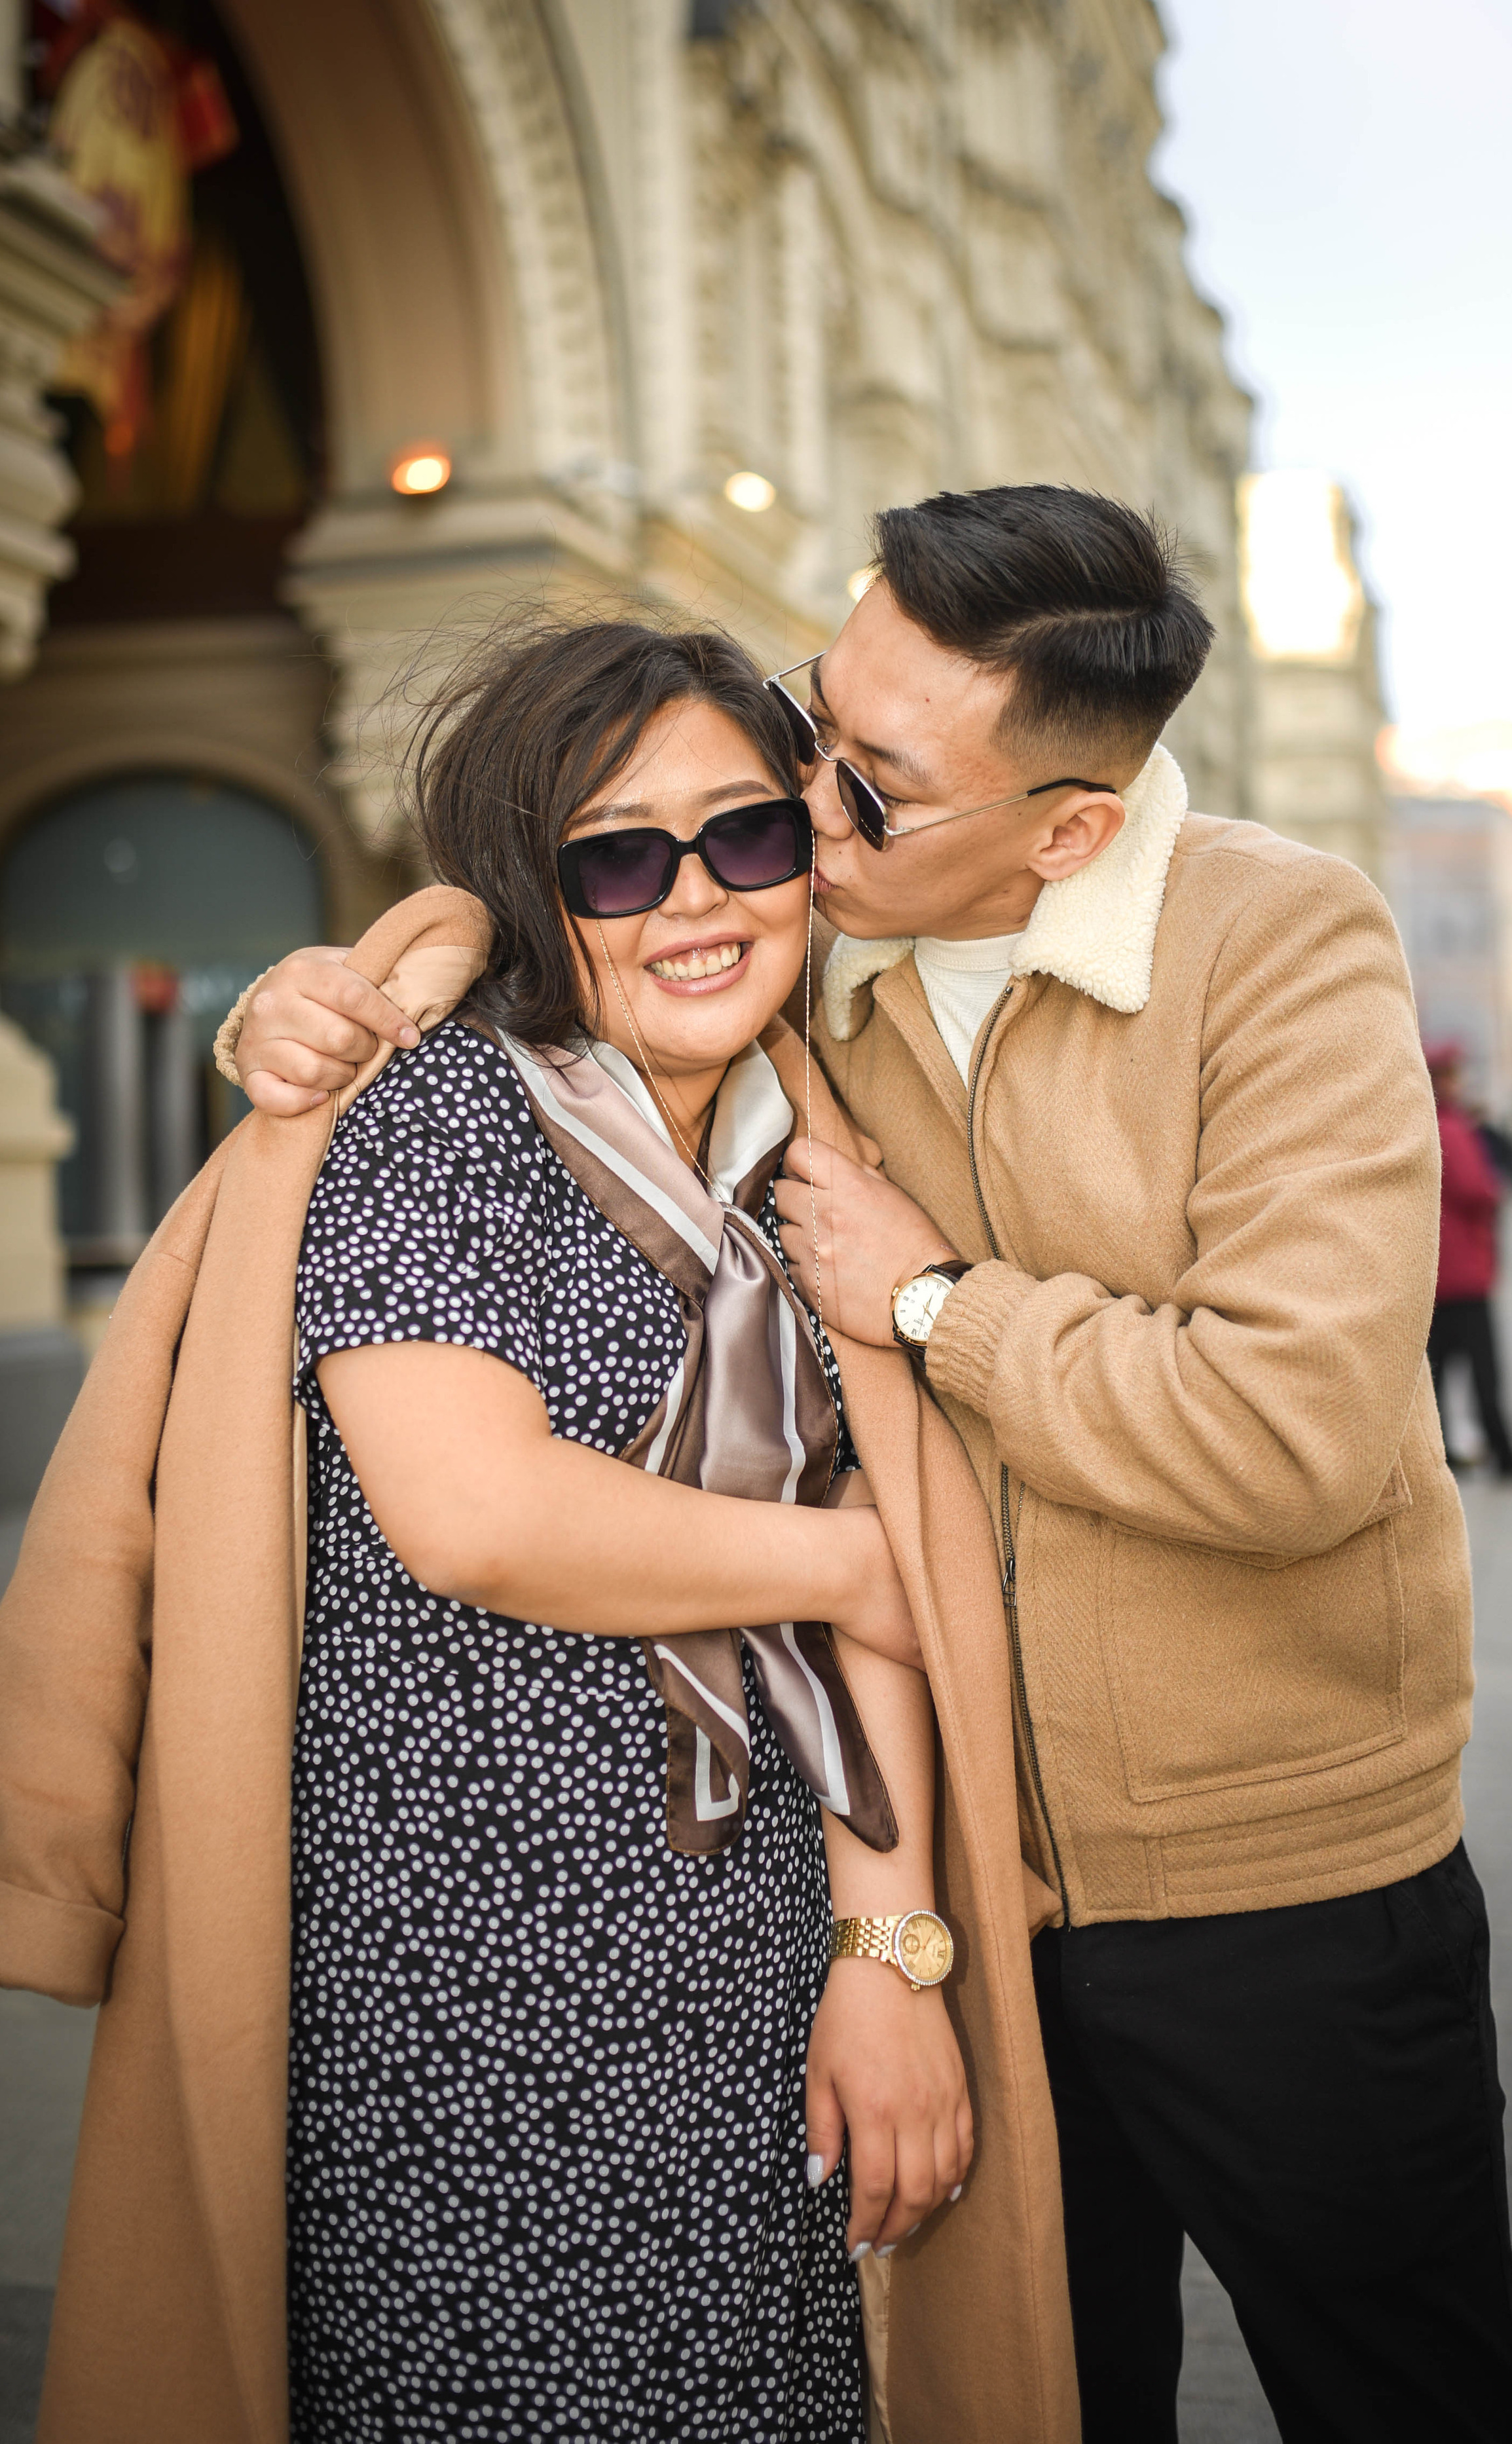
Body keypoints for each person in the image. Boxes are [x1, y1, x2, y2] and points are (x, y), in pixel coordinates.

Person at [240, 486, 1512, 2444]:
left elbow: (1289, 1428)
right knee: (1035, 2392)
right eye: (806, 728)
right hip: (961, 1893)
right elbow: (586, 886)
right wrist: (369, 968)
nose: (796, 811)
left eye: (857, 790)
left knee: (1399, 2388)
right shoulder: (814, 945)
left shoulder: (1274, 942)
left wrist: (939, 1302)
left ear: (1066, 826)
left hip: (1266, 1884)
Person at [0, 620, 1082, 2444]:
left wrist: (888, 1956)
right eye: (615, 856)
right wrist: (861, 1565)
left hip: (747, 1986)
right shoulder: (432, 1115)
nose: (692, 900)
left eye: (743, 836)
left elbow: (854, 1592)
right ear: (533, 887)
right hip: (458, 1986)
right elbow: (480, 1514)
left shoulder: (804, 1161)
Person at [1425, 1037, 1512, 1482]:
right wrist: (1498, 1187)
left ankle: (1441, 1457)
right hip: (1464, 1275)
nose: (1462, 1082)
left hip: (1437, 1273)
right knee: (1485, 1372)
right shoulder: (1451, 1128)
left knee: (1437, 1374)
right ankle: (1506, 1458)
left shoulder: (1422, 1123)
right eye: (1455, 1074)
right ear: (1442, 1080)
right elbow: (1477, 1191)